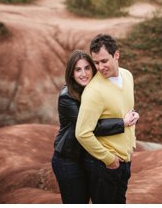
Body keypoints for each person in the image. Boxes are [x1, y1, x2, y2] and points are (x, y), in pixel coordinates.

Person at [52, 50, 139, 204]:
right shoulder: (67, 97)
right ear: (71, 73)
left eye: (87, 68)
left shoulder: (95, 89)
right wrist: (122, 122)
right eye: (78, 70)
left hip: (88, 157)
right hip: (69, 159)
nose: (83, 74)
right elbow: (91, 128)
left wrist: (132, 115)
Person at [76, 34, 138, 203]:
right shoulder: (93, 91)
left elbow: (124, 109)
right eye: (96, 63)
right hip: (104, 166)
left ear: (116, 55)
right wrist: (109, 160)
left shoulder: (127, 76)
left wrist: (134, 116)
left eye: (104, 61)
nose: (100, 67)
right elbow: (82, 133)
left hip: (125, 161)